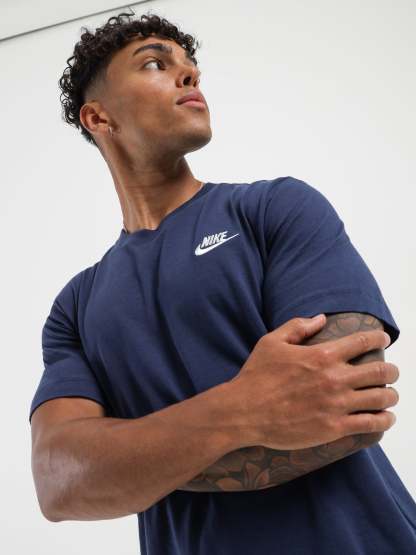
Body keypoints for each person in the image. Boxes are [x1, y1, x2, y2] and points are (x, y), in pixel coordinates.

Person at [29, 10, 416, 554]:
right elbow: (59, 483)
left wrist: (130, 462)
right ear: (98, 117)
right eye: (155, 64)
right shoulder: (75, 307)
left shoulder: (276, 208)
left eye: (190, 65)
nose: (189, 74)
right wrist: (242, 409)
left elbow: (351, 409)